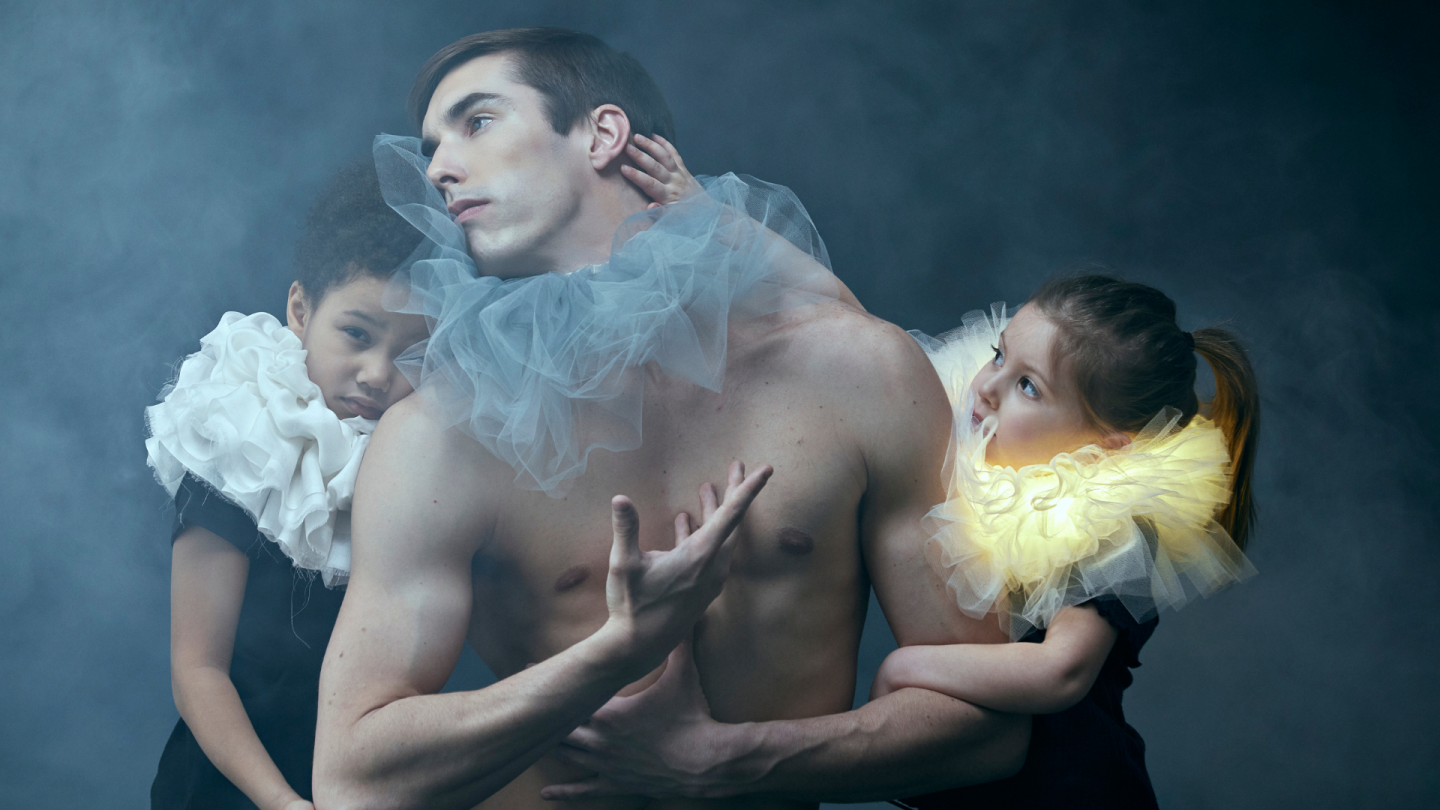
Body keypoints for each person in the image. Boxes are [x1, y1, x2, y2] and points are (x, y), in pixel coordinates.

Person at [313, 27, 1028, 810]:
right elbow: (352, 784)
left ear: (603, 134)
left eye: (476, 122)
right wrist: (615, 652)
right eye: (432, 146)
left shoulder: (859, 371)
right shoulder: (438, 434)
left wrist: (735, 760)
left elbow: (995, 728)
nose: (440, 168)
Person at [550, 276, 1258, 808]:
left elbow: (1061, 673)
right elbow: (859, 331)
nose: (984, 388)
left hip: (1068, 788)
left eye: (1028, 388)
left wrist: (909, 670)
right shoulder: (986, 454)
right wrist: (706, 209)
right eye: (996, 357)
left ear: (1106, 449)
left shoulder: (1106, 522)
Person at [146, 160, 429, 810]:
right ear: (300, 309)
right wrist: (282, 803)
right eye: (356, 335)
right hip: (234, 788)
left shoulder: (415, 456)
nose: (378, 373)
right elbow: (198, 672)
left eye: (413, 353)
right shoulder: (239, 446)